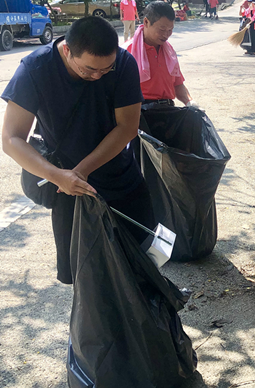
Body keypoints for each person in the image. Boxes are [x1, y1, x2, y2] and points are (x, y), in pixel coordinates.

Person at [1, 16, 155, 285]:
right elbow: (11, 138)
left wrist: (81, 172)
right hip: (66, 188)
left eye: (105, 70)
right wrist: (58, 175)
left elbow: (127, 127)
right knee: (85, 275)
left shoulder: (124, 63)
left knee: (141, 258)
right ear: (67, 50)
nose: (97, 76)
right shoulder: (36, 68)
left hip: (118, 175)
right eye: (88, 70)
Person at [127, 1, 198, 109]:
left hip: (167, 110)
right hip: (139, 112)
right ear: (146, 22)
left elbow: (177, 84)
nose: (166, 35)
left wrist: (189, 101)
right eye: (162, 30)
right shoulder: (128, 51)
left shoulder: (169, 51)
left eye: (170, 30)